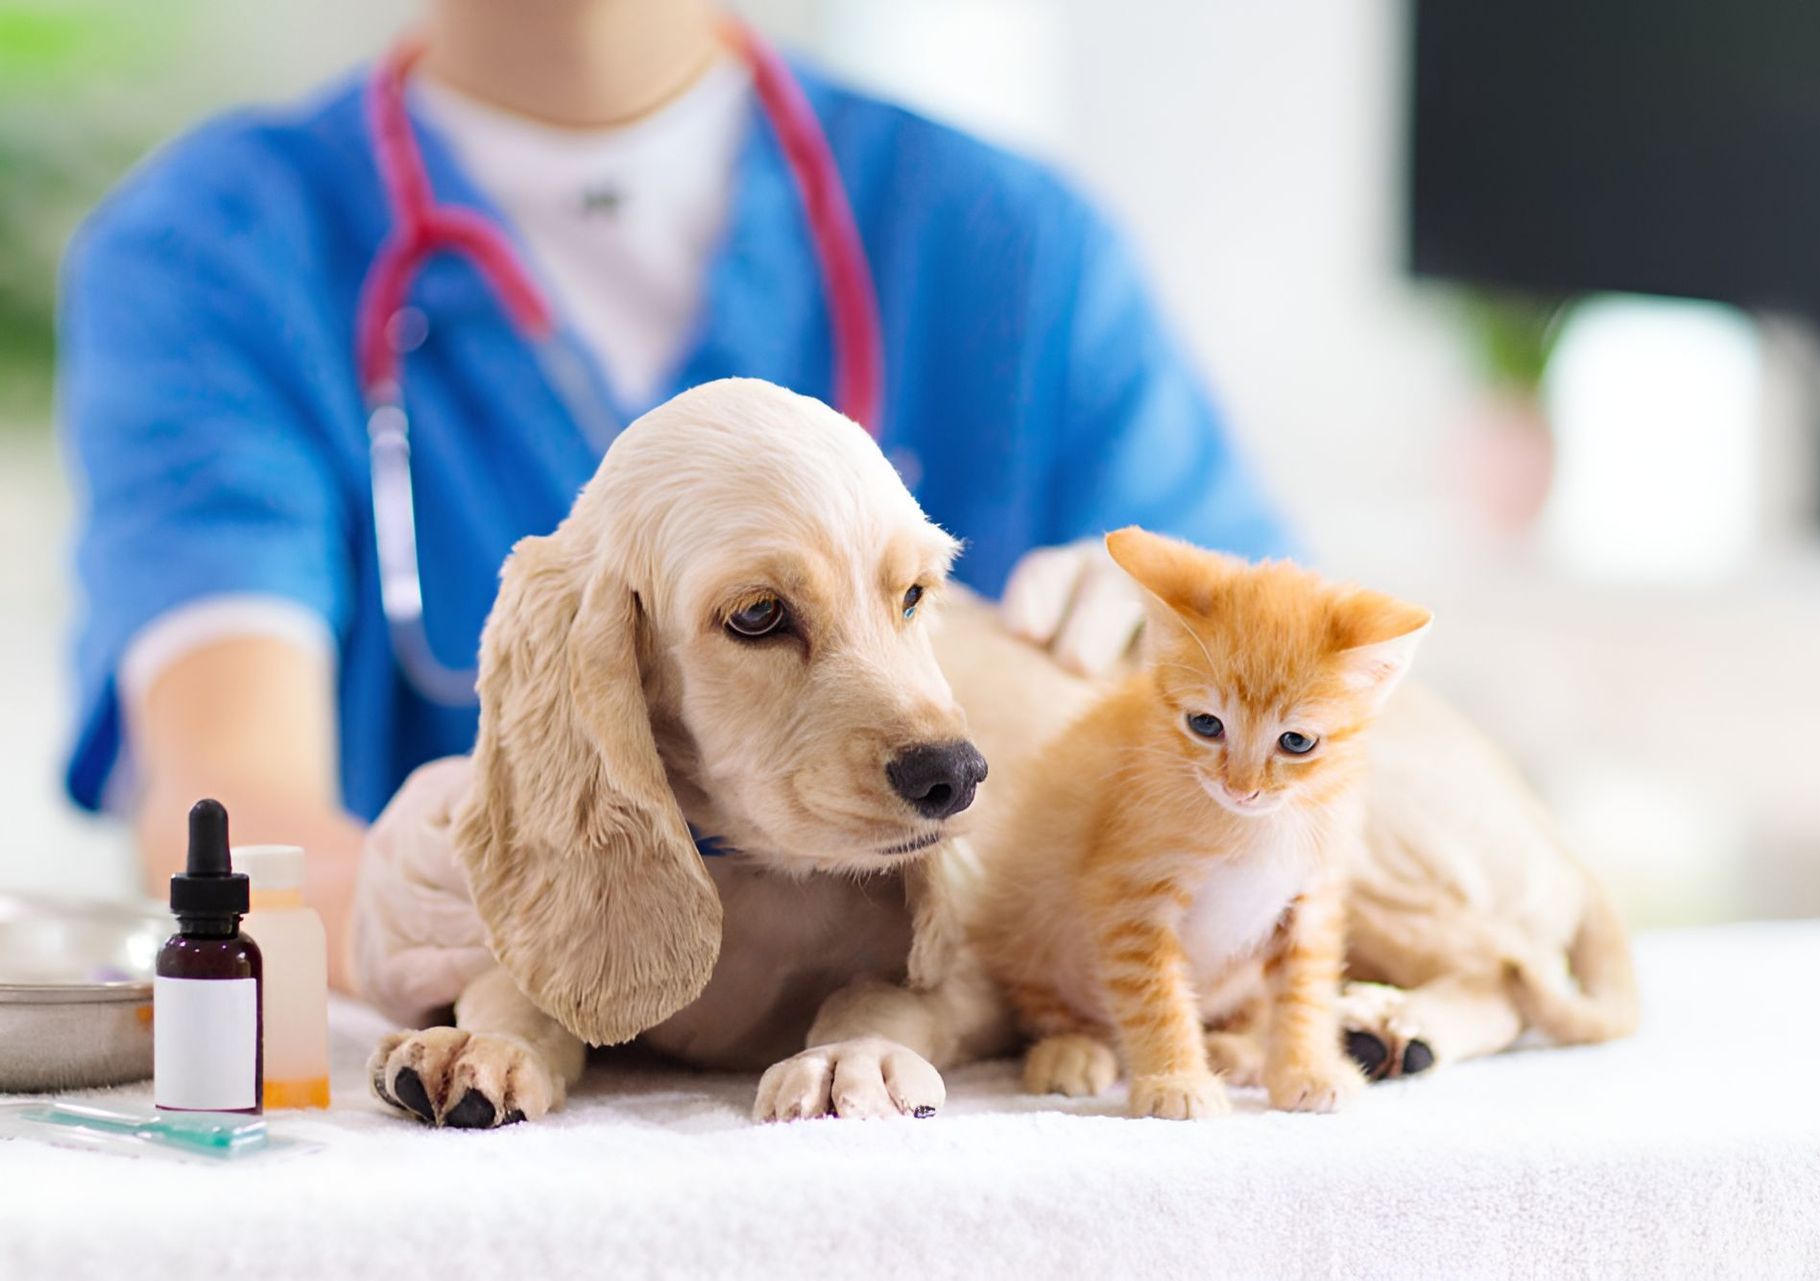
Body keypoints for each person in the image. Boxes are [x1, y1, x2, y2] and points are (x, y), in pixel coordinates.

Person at [58, 0, 1289, 983]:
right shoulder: (214, 249)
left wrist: (1185, 672)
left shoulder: (1011, 244)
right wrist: (378, 907)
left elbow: (1322, 717)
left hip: (919, 1055)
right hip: (488, 1097)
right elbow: (226, 801)